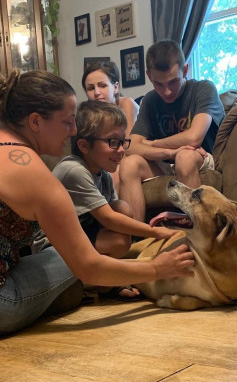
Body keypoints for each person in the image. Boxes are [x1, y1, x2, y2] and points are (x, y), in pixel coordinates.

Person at [0, 69, 194, 343]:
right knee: (73, 259)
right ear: (36, 121)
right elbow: (88, 267)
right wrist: (157, 268)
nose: (74, 130)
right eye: (67, 121)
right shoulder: (33, 173)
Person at [32, 100, 177, 300]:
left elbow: (117, 214)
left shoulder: (103, 175)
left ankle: (103, 283)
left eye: (123, 142)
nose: (121, 150)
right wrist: (154, 232)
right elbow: (109, 219)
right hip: (52, 244)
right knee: (118, 236)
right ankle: (99, 282)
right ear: (84, 145)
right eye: (113, 142)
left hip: (80, 233)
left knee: (122, 209)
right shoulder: (74, 170)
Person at [119, 40, 225, 222]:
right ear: (149, 76)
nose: (167, 91)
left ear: (185, 70)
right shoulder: (150, 100)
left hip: (200, 157)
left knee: (184, 157)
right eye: (158, 84)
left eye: (173, 82)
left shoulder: (203, 89)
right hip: (166, 161)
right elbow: (131, 147)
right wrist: (170, 152)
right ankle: (136, 235)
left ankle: (197, 229)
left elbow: (194, 138)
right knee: (129, 165)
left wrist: (153, 143)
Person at [82, 61, 139, 193]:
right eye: (90, 88)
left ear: (115, 87)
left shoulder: (127, 104)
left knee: (113, 172)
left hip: (137, 158)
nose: (96, 92)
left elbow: (126, 148)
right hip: (110, 159)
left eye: (102, 86)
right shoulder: (91, 115)